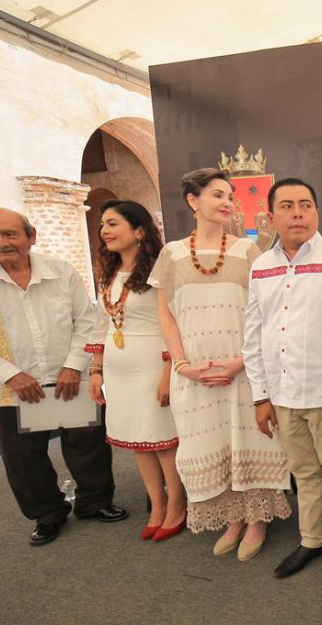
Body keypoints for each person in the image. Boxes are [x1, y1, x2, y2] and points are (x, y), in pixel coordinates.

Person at [0, 208, 128, 545]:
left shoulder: (60, 271)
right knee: (23, 456)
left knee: (87, 444)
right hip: (11, 387)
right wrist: (10, 375)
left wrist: (74, 365)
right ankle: (47, 513)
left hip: (70, 378)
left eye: (10, 234)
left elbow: (86, 321)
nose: (0, 242)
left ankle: (95, 501)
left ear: (31, 236)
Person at [150, 168, 291, 560]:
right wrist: (181, 365)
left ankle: (257, 519)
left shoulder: (249, 252)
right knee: (212, 442)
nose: (228, 202)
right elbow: (165, 315)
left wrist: (240, 362)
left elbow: (268, 313)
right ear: (192, 201)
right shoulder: (172, 254)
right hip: (194, 376)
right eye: (217, 194)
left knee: (250, 440)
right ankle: (234, 517)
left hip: (243, 370)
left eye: (230, 195)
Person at [243, 177, 322, 587]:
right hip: (283, 392)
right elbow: (253, 334)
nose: (298, 213)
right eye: (288, 206)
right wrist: (261, 396)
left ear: (317, 212)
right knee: (304, 473)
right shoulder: (261, 266)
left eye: (306, 205)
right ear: (271, 216)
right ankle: (313, 539)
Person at [87, 200, 183, 542]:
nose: (105, 231)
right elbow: (102, 323)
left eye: (113, 224)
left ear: (139, 230)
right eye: (102, 225)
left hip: (152, 363)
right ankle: (157, 505)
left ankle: (177, 505)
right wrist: (96, 370)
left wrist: (169, 372)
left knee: (161, 439)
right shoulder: (109, 271)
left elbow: (173, 321)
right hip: (118, 368)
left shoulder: (160, 270)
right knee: (139, 441)